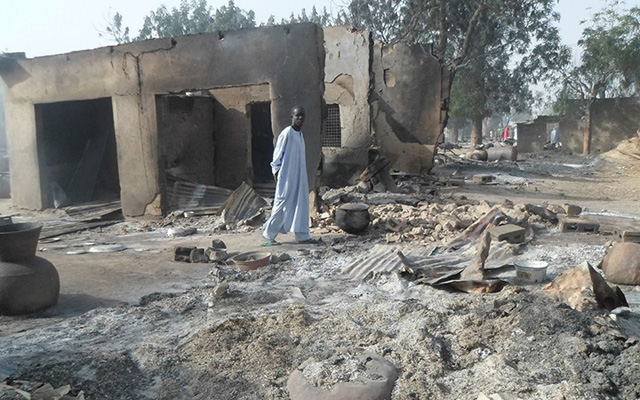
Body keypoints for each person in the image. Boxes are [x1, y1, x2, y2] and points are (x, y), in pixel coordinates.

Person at [262, 106, 318, 246]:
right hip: (286, 176)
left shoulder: (300, 135)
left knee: (301, 203)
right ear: (291, 117)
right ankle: (269, 235)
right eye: (297, 115)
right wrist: (276, 170)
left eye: (302, 116)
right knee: (282, 204)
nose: (299, 118)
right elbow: (277, 153)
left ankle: (302, 235)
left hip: (299, 176)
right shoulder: (287, 133)